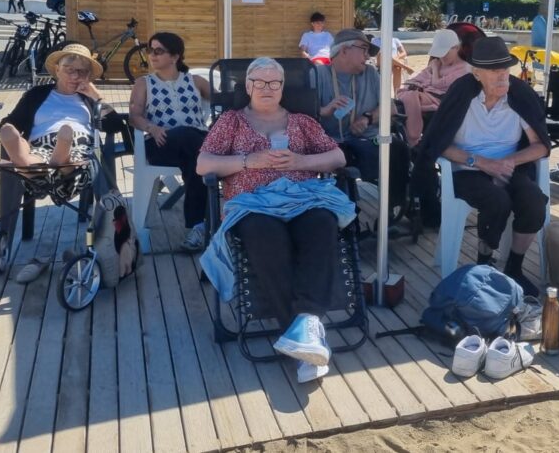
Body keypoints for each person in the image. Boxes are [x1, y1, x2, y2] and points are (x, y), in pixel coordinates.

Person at [197, 57, 350, 384]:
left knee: (323, 223)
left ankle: (305, 326)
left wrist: (300, 159)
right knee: (266, 235)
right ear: (248, 85)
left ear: (283, 87)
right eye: (260, 82)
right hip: (254, 204)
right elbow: (203, 164)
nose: (267, 88)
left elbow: (337, 157)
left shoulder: (302, 122)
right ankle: (299, 331)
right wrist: (248, 161)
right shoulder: (231, 121)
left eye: (274, 83)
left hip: (302, 197)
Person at [418, 36, 552, 295]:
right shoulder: (461, 96)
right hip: (467, 169)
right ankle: (484, 264)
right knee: (497, 201)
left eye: (505, 70)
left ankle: (514, 266)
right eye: (494, 71)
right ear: (477, 73)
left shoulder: (518, 96)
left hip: (510, 167)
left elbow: (540, 146)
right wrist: (482, 163)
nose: (503, 77)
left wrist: (506, 163)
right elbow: (438, 144)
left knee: (534, 200)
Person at [128, 32, 212, 250]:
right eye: (150, 50)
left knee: (196, 161)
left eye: (158, 51)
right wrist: (152, 128)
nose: (152, 55)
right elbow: (134, 116)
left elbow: (224, 101)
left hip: (195, 145)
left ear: (175, 57)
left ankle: (198, 227)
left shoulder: (195, 81)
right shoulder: (144, 83)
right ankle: (206, 223)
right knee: (194, 144)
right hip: (161, 142)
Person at [0, 44, 111, 197]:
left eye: (81, 71)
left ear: (88, 75)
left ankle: (59, 156)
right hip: (40, 145)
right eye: (69, 69)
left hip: (79, 146)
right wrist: (10, 130)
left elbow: (115, 125)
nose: (75, 76)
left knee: (75, 157)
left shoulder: (89, 99)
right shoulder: (37, 94)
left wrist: (97, 96)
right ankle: (26, 159)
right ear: (57, 70)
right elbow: (11, 122)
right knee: (32, 152)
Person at [315, 28, 382, 180]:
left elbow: (389, 108)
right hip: (329, 141)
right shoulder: (319, 74)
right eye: (364, 49)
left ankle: (393, 203)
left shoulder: (370, 73)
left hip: (365, 139)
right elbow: (299, 114)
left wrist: (367, 118)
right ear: (344, 50)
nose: (368, 56)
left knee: (396, 150)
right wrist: (324, 110)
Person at [396, 28, 470, 147]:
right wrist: (425, 82)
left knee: (409, 96)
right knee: (403, 95)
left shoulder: (464, 68)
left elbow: (438, 84)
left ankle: (413, 136)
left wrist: (434, 71)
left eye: (445, 52)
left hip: (442, 99)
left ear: (456, 48)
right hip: (424, 96)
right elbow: (414, 79)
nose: (442, 57)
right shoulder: (438, 63)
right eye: (440, 53)